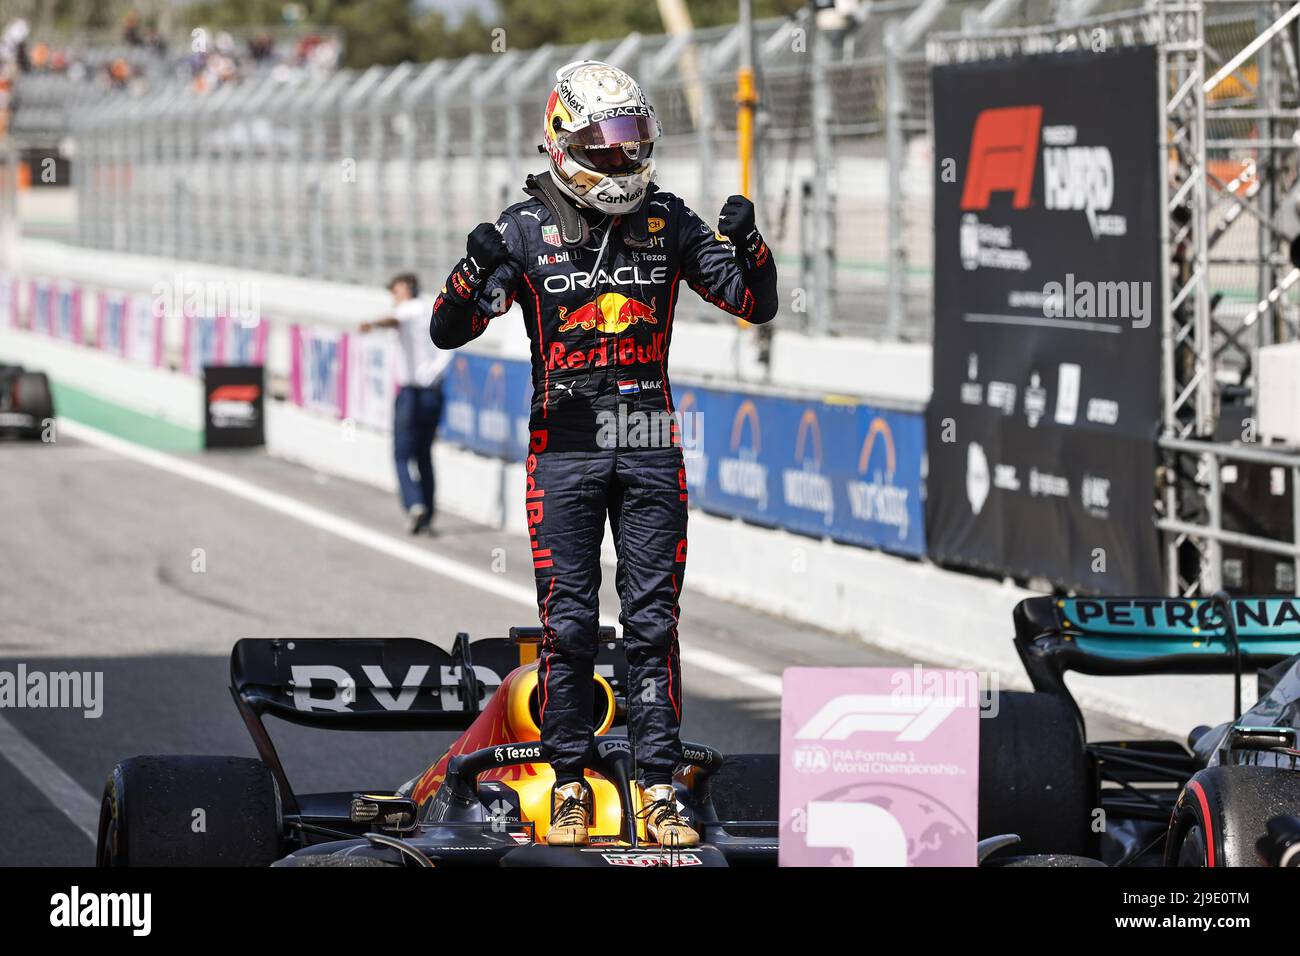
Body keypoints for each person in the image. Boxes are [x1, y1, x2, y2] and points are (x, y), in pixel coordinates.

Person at [431, 61, 778, 847]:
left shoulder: (669, 220)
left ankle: (659, 784)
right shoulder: (522, 228)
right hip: (565, 448)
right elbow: (449, 329)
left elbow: (754, 303)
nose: (622, 158)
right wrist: (471, 271)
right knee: (571, 627)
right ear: (563, 141)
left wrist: (751, 244)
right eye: (606, 142)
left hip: (651, 443)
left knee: (653, 624)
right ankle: (569, 784)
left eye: (632, 140)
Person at [361, 273, 451, 535]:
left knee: (401, 454)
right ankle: (428, 513)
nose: (393, 296)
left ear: (408, 289)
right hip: (433, 391)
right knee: (424, 454)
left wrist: (372, 324)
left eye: (396, 290)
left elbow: (395, 319)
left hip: (412, 392)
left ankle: (414, 504)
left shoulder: (410, 309)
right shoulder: (435, 310)